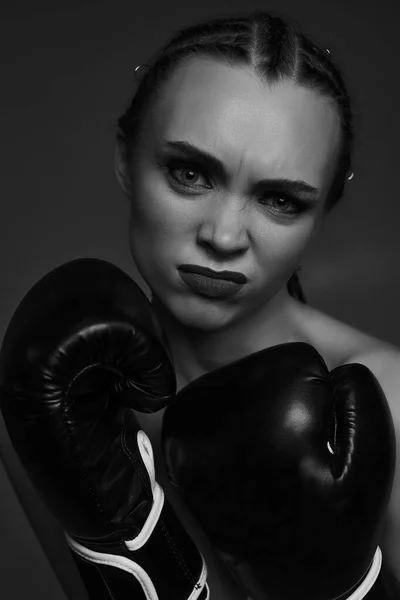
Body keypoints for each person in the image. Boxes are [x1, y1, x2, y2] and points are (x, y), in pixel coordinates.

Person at [1, 8, 399, 600]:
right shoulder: (58, 396)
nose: (224, 235)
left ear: (320, 215)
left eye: (281, 200)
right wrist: (128, 541)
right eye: (189, 173)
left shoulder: (390, 398)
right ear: (124, 160)